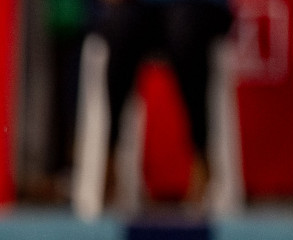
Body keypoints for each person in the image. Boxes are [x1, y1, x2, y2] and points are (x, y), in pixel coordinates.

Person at [95, 0, 233, 206]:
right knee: (121, 28)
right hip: (143, 9)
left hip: (198, 8)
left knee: (184, 31)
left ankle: (201, 155)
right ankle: (110, 156)